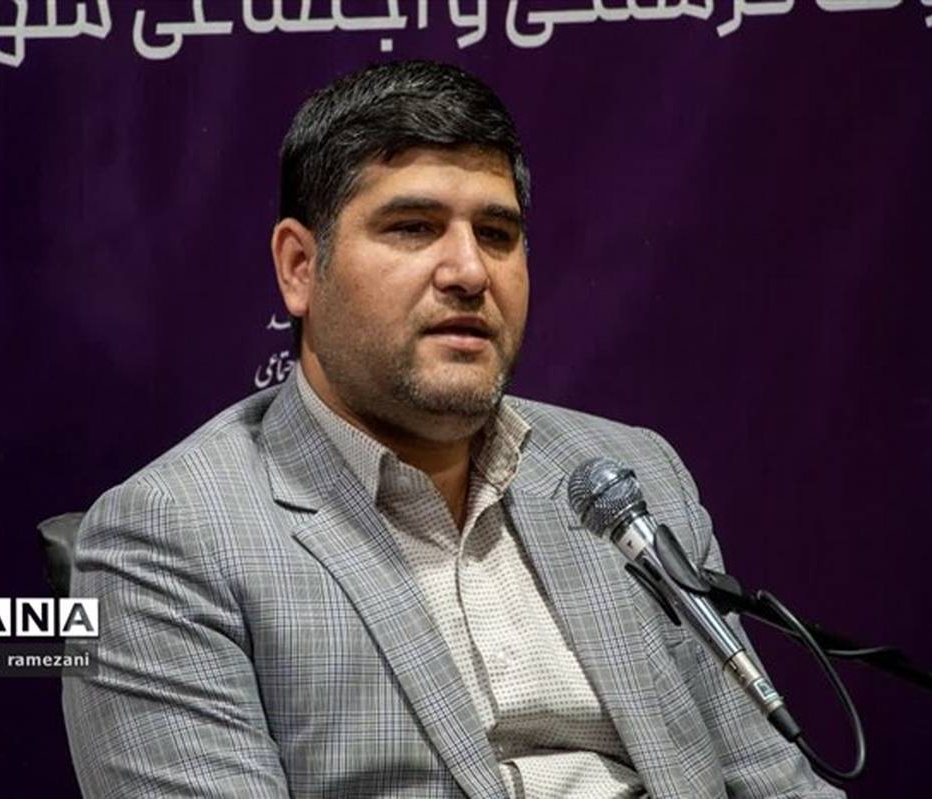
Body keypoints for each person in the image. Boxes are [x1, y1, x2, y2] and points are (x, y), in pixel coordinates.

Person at [63, 60, 843, 798]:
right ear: (300, 266)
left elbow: (773, 779)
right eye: (413, 227)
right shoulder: (165, 539)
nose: (470, 271)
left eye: (497, 233)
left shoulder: (628, 473)